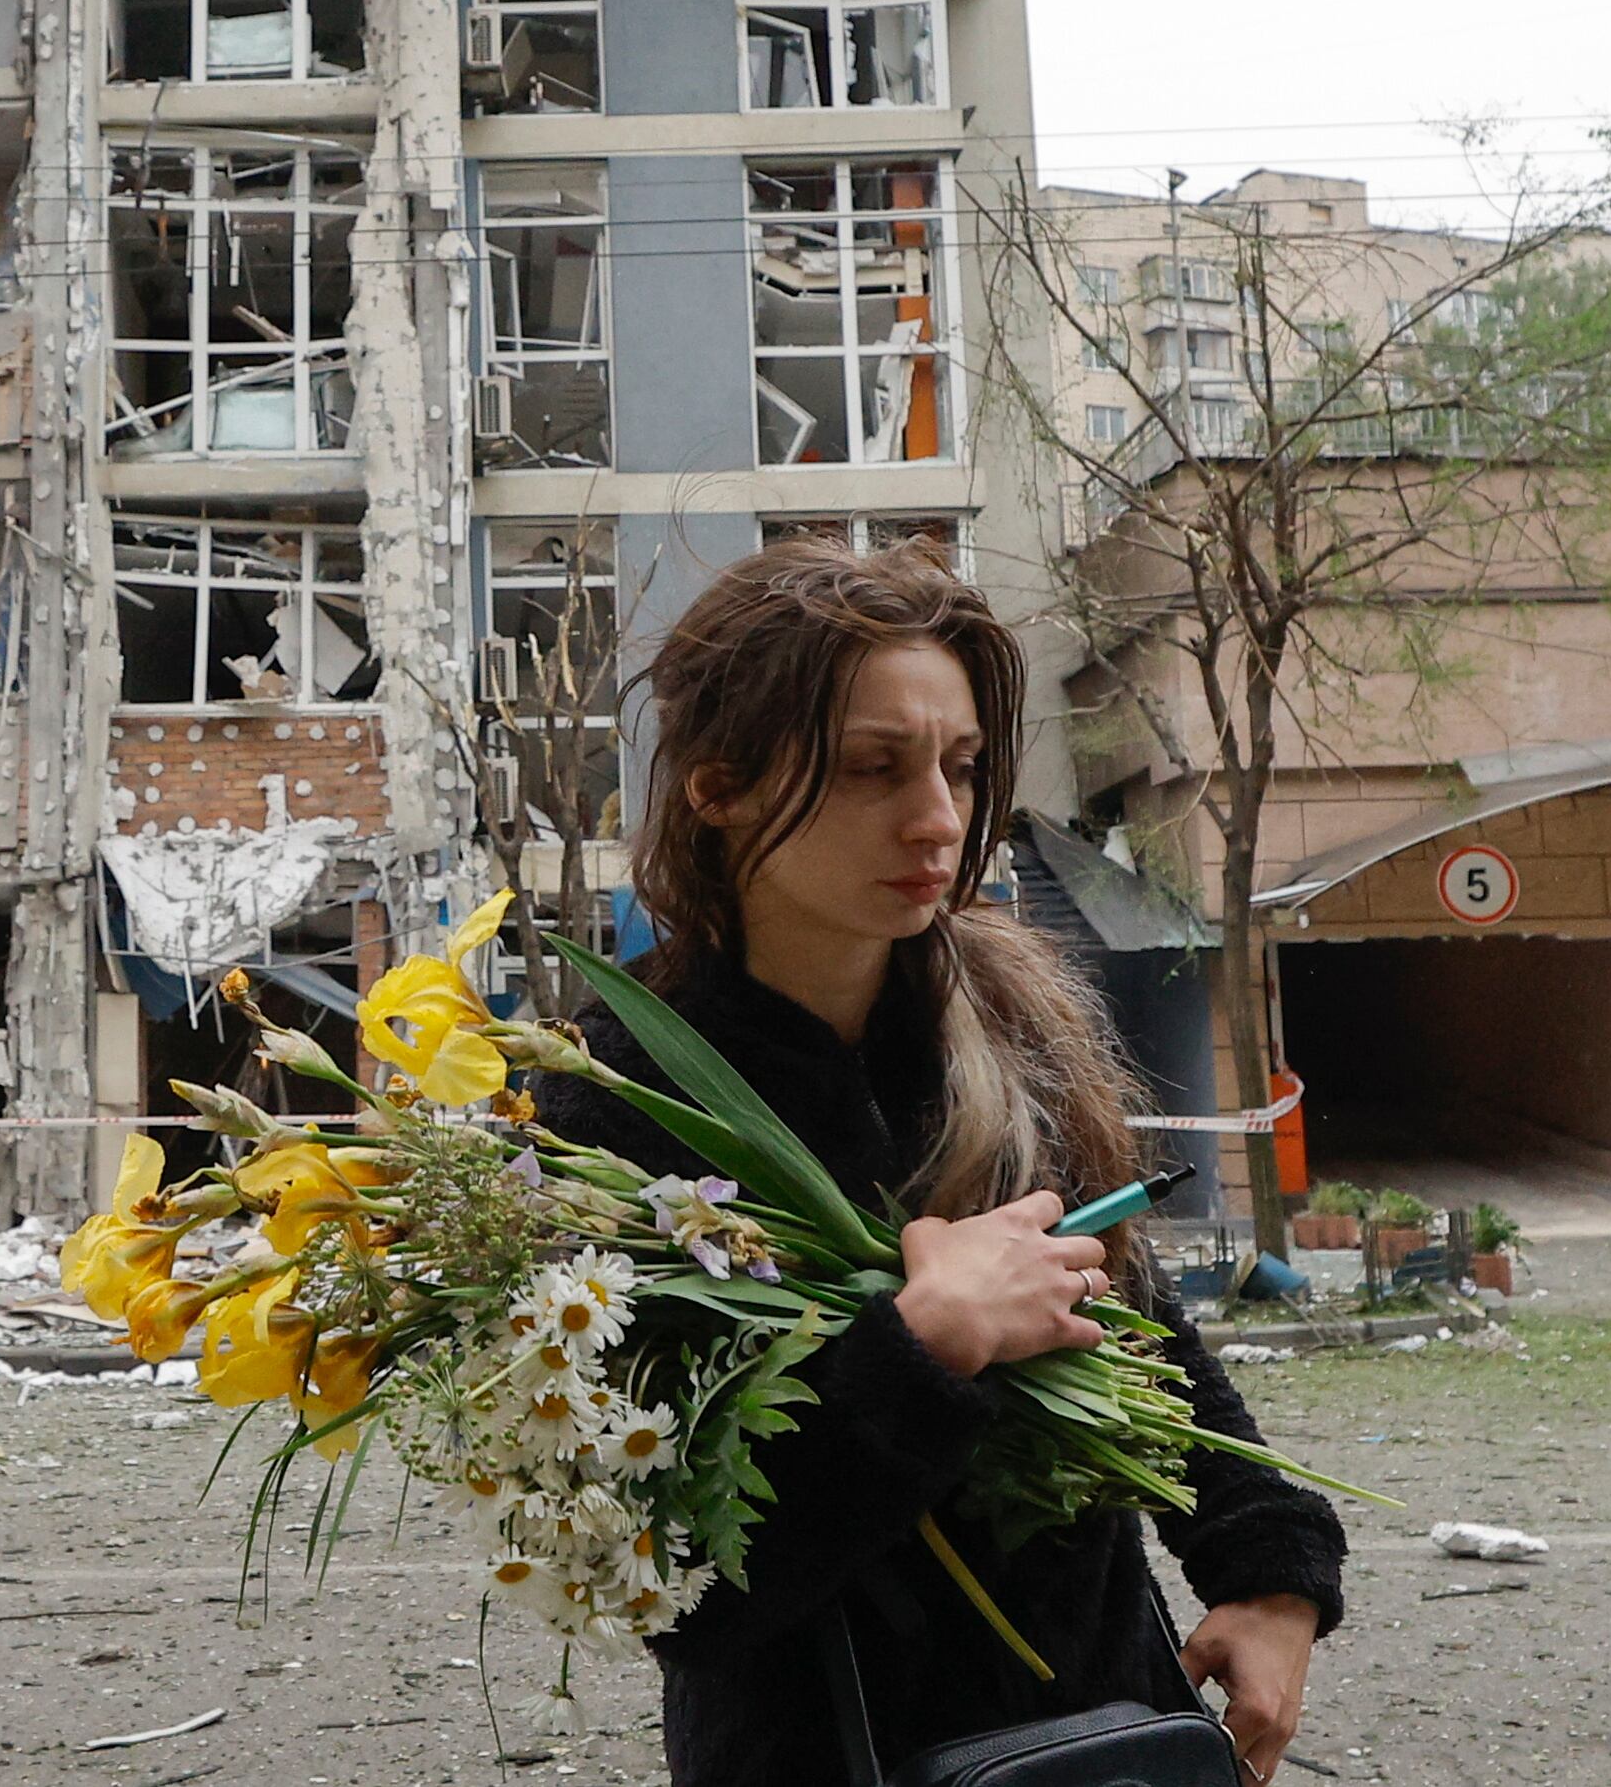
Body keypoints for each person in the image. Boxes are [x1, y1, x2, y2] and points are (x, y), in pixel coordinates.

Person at [530, 542, 1343, 1787]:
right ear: (719, 788)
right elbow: (679, 1591)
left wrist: (1272, 1568)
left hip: (1104, 1743)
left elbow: (1135, 1334)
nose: (938, 816)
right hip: (825, 1756)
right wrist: (920, 1349)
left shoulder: (1012, 1025)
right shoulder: (615, 1102)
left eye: (960, 766)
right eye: (872, 767)